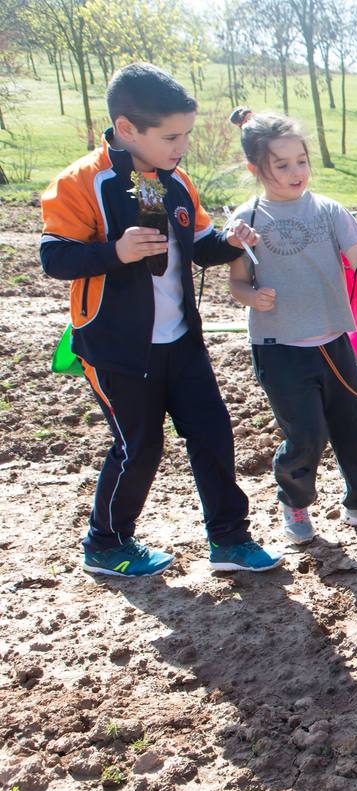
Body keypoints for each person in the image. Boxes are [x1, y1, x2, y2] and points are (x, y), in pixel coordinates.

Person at [39, 63, 281, 576]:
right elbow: (53, 257)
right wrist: (115, 252)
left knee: (213, 433)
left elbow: (197, 248)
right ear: (127, 129)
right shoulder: (83, 182)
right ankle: (105, 544)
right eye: (171, 136)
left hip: (181, 342)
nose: (182, 146)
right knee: (139, 447)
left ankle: (229, 540)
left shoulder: (176, 182)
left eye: (186, 135)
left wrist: (230, 241)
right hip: (116, 348)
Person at [225, 108, 357, 544]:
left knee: (355, 429)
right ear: (256, 169)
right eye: (281, 164)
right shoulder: (246, 222)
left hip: (334, 341)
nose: (295, 171)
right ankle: (296, 504)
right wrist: (253, 297)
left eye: (300, 160)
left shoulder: (328, 210)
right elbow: (238, 283)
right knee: (305, 435)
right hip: (278, 346)